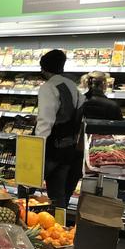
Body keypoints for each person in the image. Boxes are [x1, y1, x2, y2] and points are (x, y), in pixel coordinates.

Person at [35, 49, 85, 209]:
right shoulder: (72, 86)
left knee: (26, 187)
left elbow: (45, 122)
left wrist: (36, 149)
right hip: (68, 148)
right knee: (58, 195)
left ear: (43, 68)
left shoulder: (48, 87)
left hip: (50, 149)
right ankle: (58, 228)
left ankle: (26, 224)